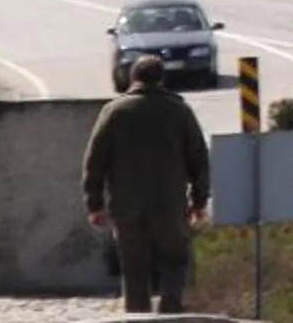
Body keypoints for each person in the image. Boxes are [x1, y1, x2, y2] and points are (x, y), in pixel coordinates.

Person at [83, 53, 211, 314]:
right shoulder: (179, 111)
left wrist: (94, 204)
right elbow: (199, 159)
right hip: (170, 205)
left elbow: (95, 161)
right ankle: (170, 315)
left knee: (134, 270)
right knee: (175, 263)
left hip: (127, 206)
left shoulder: (115, 112)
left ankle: (138, 318)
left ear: (133, 78)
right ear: (162, 79)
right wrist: (199, 201)